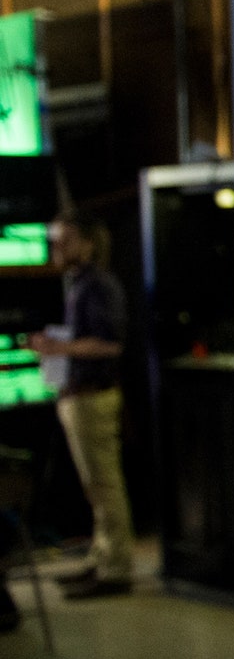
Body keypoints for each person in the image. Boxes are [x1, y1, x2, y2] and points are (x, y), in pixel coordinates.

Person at [30, 215, 133, 598]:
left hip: (93, 397)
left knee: (104, 485)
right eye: (55, 241)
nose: (57, 248)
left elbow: (110, 344)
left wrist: (59, 348)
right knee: (95, 488)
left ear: (89, 243)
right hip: (79, 395)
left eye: (66, 240)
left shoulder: (98, 286)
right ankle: (101, 559)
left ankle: (116, 569)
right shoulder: (81, 285)